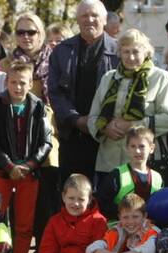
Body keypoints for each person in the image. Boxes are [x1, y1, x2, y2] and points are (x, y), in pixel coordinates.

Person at [0, 60, 51, 253]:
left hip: (29, 175)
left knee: (24, 225)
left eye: (22, 83)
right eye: (13, 82)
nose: (18, 87)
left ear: (30, 83)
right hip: (2, 172)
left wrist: (30, 165)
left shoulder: (39, 106)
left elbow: (46, 142)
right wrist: (9, 165)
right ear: (6, 83)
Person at [47, 0, 119, 182]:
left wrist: (101, 124)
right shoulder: (61, 52)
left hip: (108, 136)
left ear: (104, 20)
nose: (90, 20)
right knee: (72, 193)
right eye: (84, 16)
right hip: (73, 135)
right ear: (77, 21)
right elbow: (55, 93)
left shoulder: (120, 51)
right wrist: (77, 120)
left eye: (94, 15)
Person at [87, 29, 168, 176]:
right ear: (119, 53)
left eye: (136, 51)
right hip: (108, 163)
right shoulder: (109, 78)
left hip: (145, 164)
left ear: (146, 52)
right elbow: (93, 117)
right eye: (126, 52)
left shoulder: (161, 78)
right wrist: (104, 128)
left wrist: (133, 126)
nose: (131, 57)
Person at [28, 173, 107, 253]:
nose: (75, 204)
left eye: (81, 199)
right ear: (63, 197)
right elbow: (48, 248)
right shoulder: (54, 221)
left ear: (90, 199)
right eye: (71, 198)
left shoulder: (98, 221)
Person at [95, 125, 164, 219]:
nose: (137, 151)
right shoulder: (117, 175)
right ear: (127, 148)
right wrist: (127, 213)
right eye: (133, 146)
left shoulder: (157, 178)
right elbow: (101, 203)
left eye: (142, 146)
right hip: (119, 226)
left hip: (147, 227)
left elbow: (160, 207)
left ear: (151, 148)